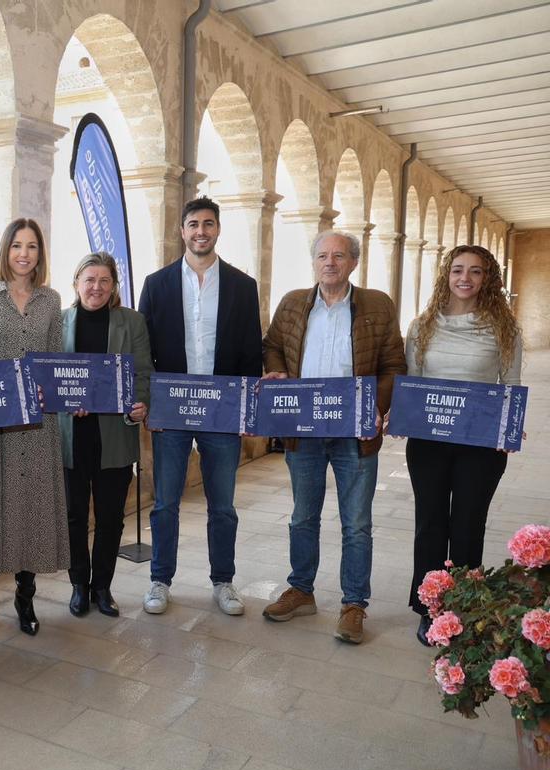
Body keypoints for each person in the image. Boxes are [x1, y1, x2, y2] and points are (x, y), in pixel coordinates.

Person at [261, 230, 406, 644]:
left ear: (353, 262)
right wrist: (277, 371)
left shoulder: (377, 305)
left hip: (353, 433)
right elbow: (272, 345)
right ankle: (301, 590)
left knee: (356, 523)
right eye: (323, 256)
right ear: (314, 261)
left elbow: (394, 364)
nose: (330, 263)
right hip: (304, 431)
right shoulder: (293, 303)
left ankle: (354, 604)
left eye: (339, 256)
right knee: (302, 516)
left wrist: (375, 407)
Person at [137, 196, 262, 617]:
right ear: (182, 231)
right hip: (172, 413)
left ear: (218, 229)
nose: (201, 231)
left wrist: (246, 410)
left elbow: (251, 352)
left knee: (222, 506)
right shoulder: (157, 284)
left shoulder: (243, 286)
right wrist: (151, 404)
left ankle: (223, 582)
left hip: (221, 413)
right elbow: (143, 351)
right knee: (165, 504)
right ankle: (160, 580)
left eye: (208, 223)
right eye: (193, 224)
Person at [402, 245, 522, 646]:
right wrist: (403, 415)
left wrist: (509, 428)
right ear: (446, 275)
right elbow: (414, 380)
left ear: (488, 279)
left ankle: (464, 608)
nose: (465, 278)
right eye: (457, 270)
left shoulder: (504, 328)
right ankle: (430, 608)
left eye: (475, 271)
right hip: (429, 442)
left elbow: (511, 384)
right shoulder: (422, 326)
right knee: (430, 524)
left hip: (480, 444)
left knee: (468, 525)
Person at [0, 218, 69, 638]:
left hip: (39, 427)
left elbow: (54, 359)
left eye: (31, 246)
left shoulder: (51, 300)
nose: (24, 254)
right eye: (16, 246)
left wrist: (58, 391)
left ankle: (25, 600)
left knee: (33, 509)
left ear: (40, 253)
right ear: (5, 250)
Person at [62, 252, 152, 618]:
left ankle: (102, 587)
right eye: (89, 280)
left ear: (114, 285)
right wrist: (66, 400)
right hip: (72, 436)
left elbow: (143, 373)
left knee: (111, 517)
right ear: (76, 283)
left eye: (104, 281)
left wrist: (140, 404)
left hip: (114, 435)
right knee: (73, 517)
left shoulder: (132, 322)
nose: (96, 287)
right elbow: (48, 376)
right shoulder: (59, 322)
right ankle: (78, 585)